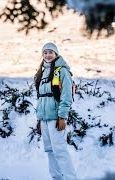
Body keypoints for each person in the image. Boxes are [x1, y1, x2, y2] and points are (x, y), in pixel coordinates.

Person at [34, 42, 77, 180]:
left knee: (60, 150)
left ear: (56, 54)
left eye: (50, 52)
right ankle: (57, 178)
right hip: (45, 118)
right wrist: (39, 119)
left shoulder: (62, 71)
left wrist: (62, 117)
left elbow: (66, 96)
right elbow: (41, 98)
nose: (47, 55)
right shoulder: (41, 72)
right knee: (50, 150)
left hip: (56, 117)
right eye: (45, 52)